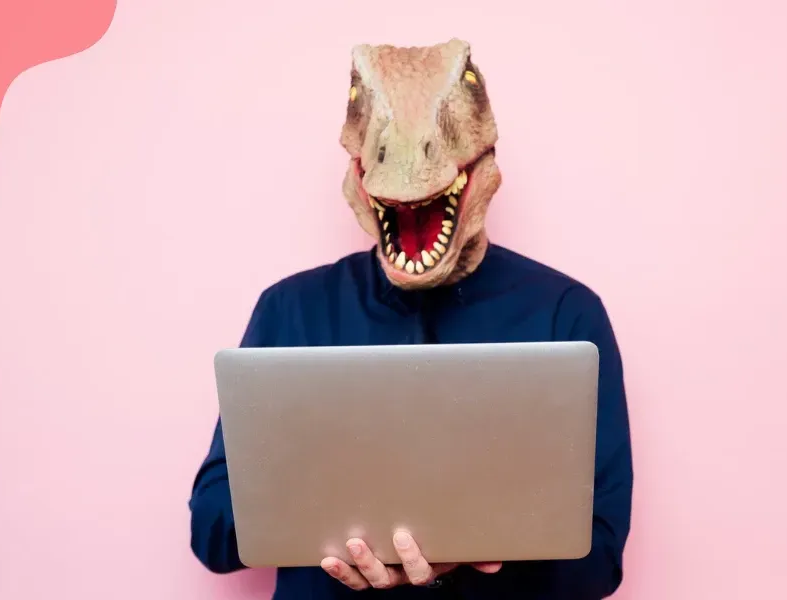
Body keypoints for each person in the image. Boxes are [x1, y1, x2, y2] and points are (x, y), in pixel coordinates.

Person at [189, 38, 633, 599]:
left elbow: (600, 561)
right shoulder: (289, 310)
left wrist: (474, 554)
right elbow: (211, 531)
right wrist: (332, 530)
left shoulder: (565, 313)